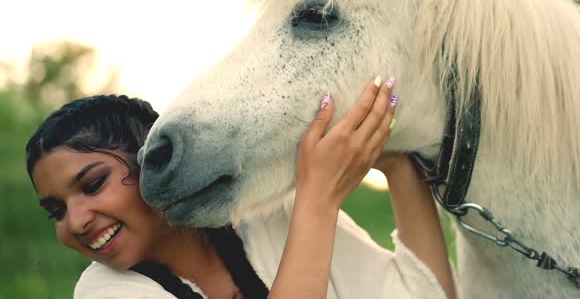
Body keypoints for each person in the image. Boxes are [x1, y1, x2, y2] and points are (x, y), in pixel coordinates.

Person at [26, 76, 457, 299]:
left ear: (151, 161)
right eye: (56, 211)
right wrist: (318, 199)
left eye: (93, 184)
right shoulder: (104, 292)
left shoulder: (271, 221)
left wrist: (396, 162)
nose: (76, 222)